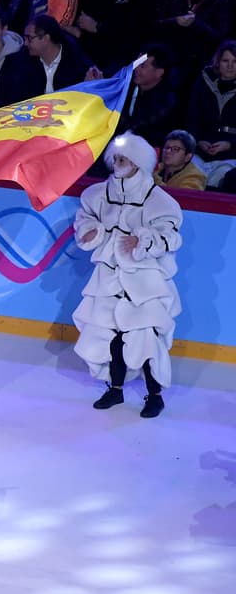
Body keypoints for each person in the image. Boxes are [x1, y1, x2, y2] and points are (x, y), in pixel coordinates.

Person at [73, 133, 182, 419]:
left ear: (138, 163)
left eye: (125, 159)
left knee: (145, 336)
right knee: (112, 336)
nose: (118, 163)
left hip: (143, 281)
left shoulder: (157, 198)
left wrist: (144, 241)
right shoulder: (98, 194)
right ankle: (116, 388)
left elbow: (170, 235)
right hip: (109, 278)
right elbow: (86, 220)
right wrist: (91, 232)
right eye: (116, 158)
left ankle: (154, 395)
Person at [189, 40, 236, 163]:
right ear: (218, 62)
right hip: (201, 148)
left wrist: (229, 144)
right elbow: (192, 116)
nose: (230, 66)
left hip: (232, 153)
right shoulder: (203, 82)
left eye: (235, 61)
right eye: (225, 61)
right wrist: (198, 140)